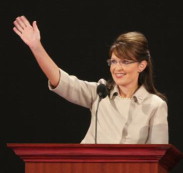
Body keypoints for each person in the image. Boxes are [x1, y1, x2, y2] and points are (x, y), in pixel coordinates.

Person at [13, 15, 168, 144]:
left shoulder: (155, 105)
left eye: (125, 62)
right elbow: (62, 81)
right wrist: (35, 46)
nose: (117, 68)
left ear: (141, 66)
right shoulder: (100, 94)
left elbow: (157, 159)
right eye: (113, 61)